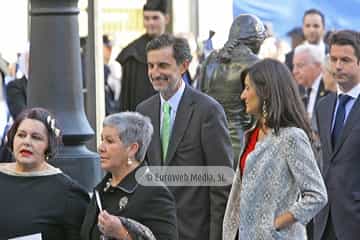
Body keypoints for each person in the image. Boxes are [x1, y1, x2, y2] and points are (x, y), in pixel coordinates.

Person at [136, 34, 233, 240]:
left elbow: (221, 185)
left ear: (184, 66)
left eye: (162, 65)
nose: (154, 73)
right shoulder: (144, 110)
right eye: (150, 66)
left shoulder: (208, 111)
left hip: (195, 232)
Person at [223, 59, 327, 240]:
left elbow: (317, 195)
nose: (242, 96)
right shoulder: (251, 134)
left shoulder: (291, 137)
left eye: (248, 88)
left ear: (266, 92)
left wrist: (276, 224)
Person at [81, 112, 178, 240]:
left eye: (109, 141)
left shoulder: (154, 192)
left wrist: (122, 233)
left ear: (132, 149)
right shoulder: (102, 189)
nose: (101, 148)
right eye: (102, 140)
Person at [0, 107, 89, 239]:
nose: (26, 142)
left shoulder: (68, 193)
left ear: (49, 145)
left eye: (36, 137)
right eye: (21, 135)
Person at [198, 13, 267, 167]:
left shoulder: (210, 61)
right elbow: (263, 112)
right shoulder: (256, 64)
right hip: (239, 143)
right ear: (255, 40)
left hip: (206, 143)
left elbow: (197, 102)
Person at [313, 30, 360, 240]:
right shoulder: (323, 106)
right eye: (333, 59)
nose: (338, 66)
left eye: (345, 60)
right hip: (323, 220)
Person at [116, 0, 170, 111]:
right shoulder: (132, 54)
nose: (150, 23)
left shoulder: (175, 49)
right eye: (146, 18)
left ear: (166, 19)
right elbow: (126, 99)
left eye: (155, 18)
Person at [103, 34, 122, 115]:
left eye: (110, 48)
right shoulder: (98, 72)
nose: (110, 51)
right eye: (107, 48)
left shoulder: (108, 71)